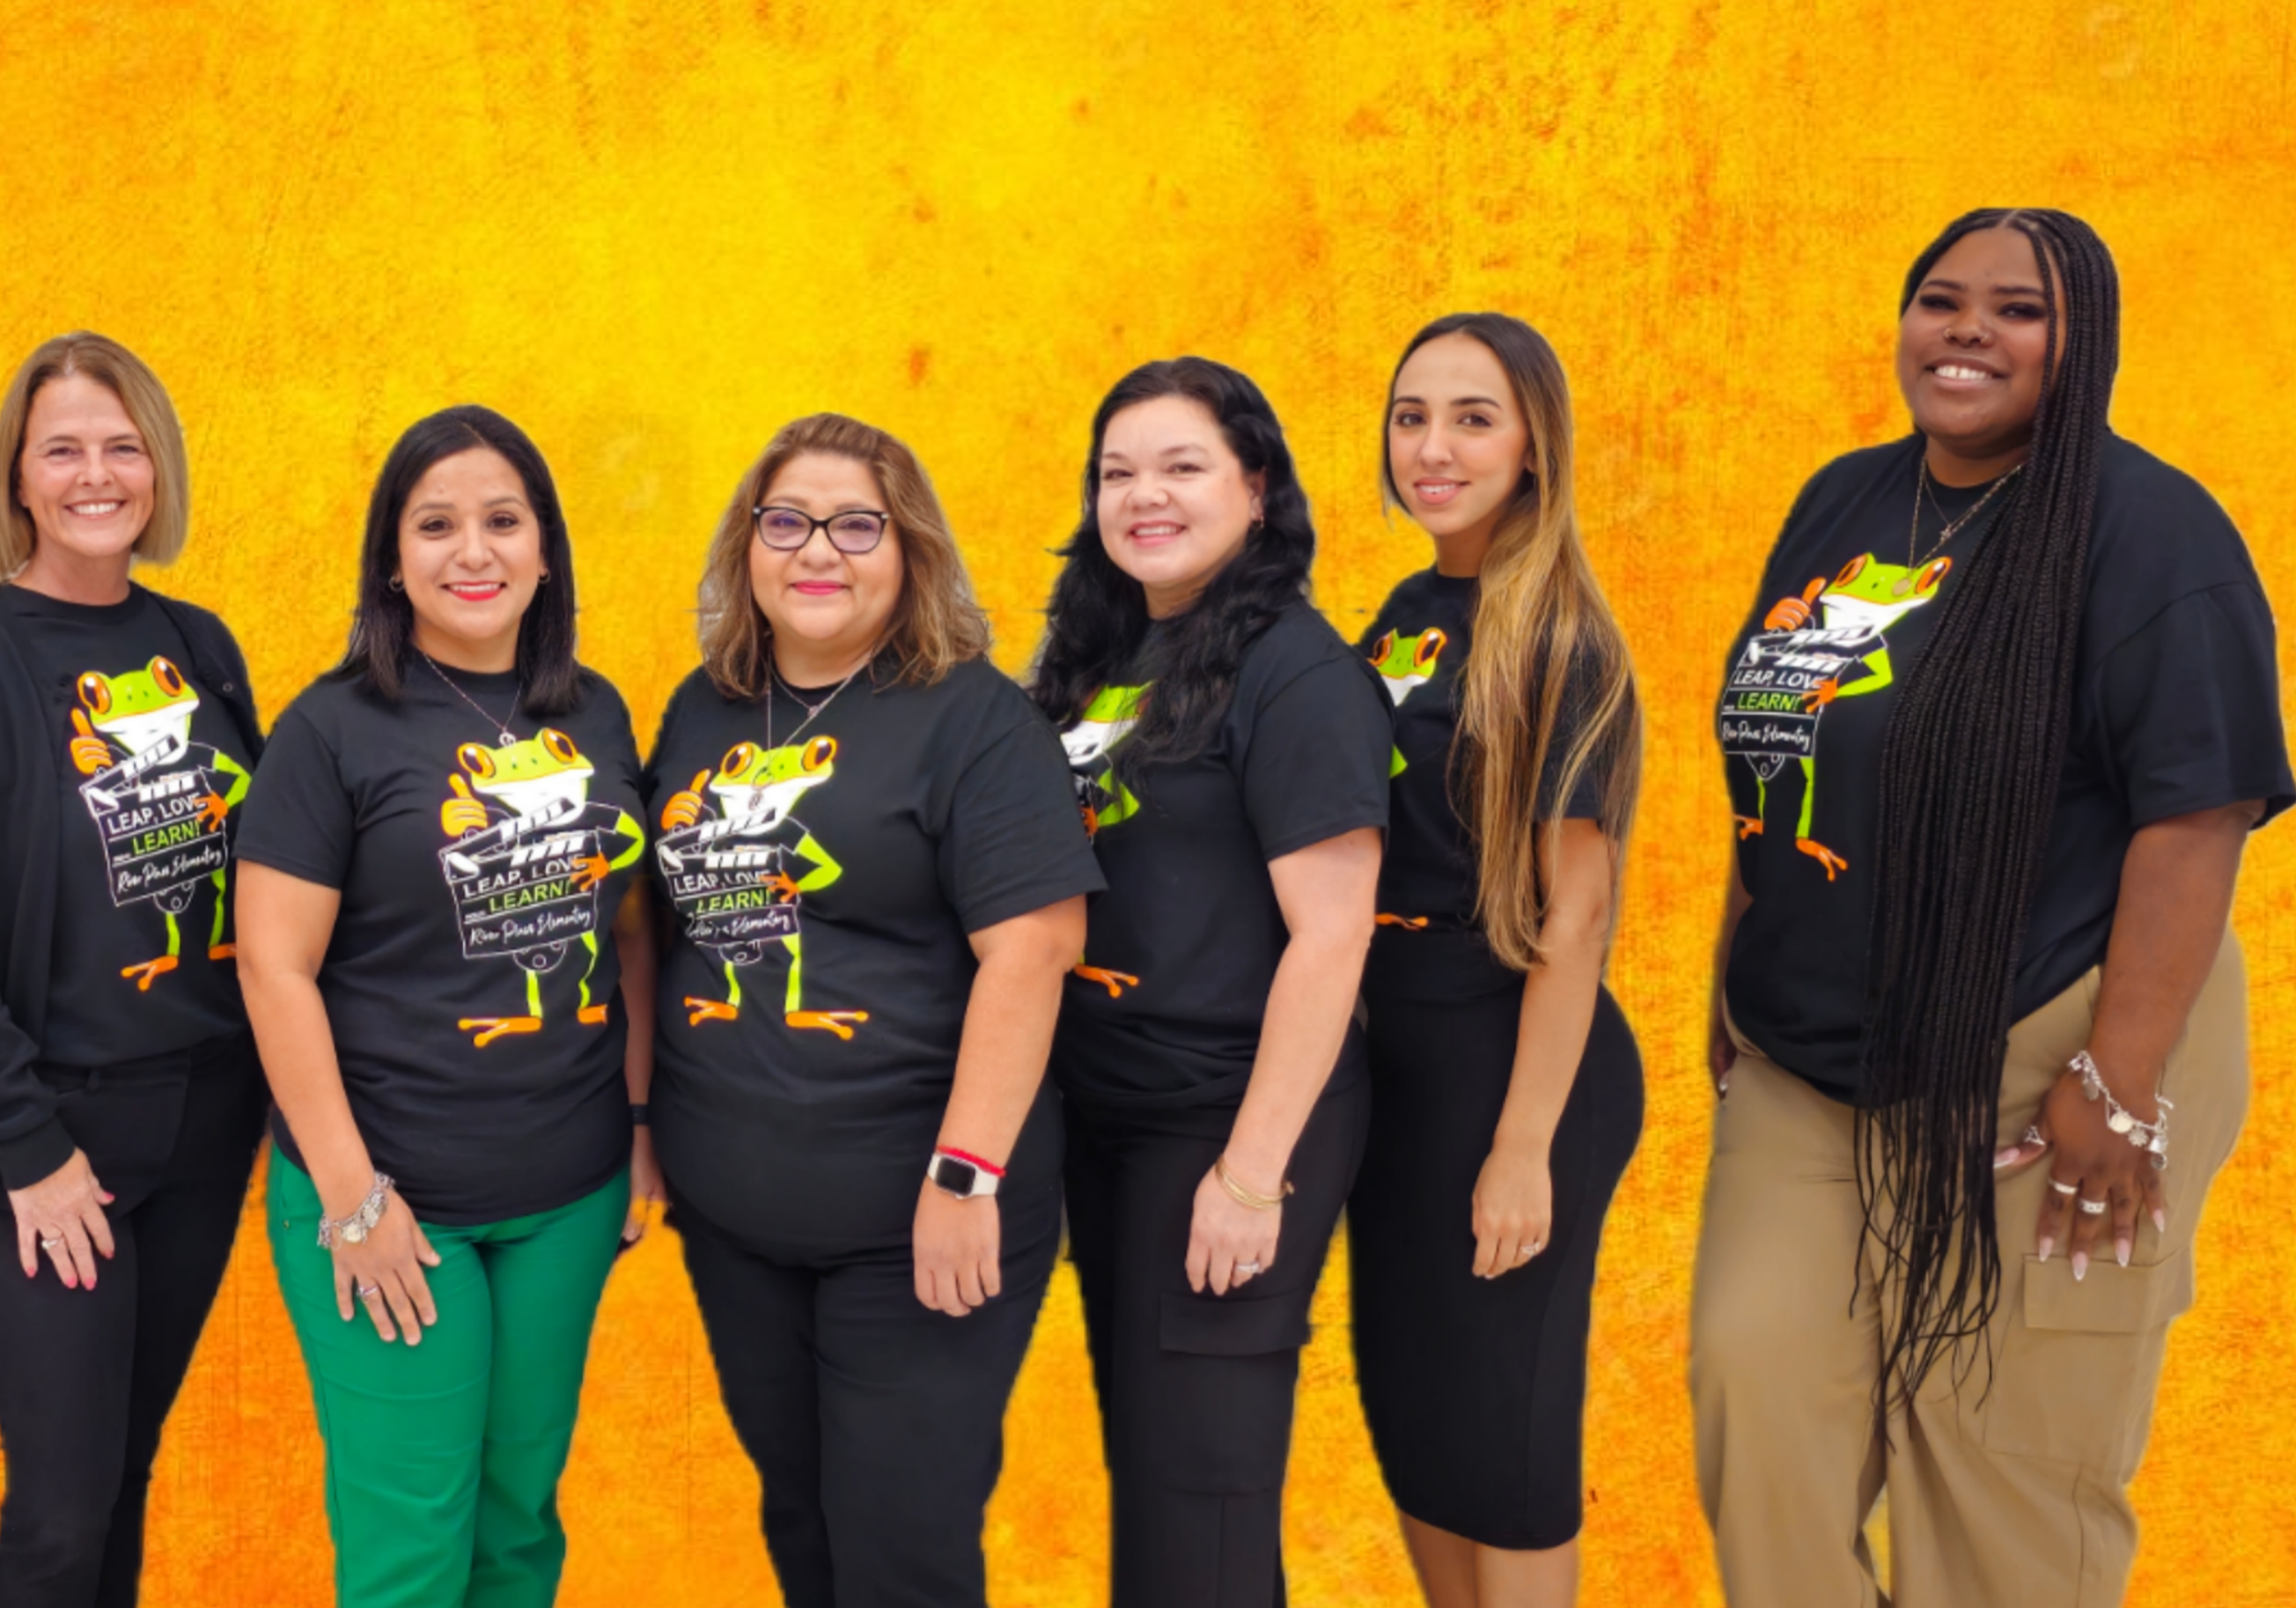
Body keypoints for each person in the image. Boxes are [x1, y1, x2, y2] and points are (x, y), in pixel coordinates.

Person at [1690, 209, 2295, 1607]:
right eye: (1938, 299)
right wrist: (1737, 967)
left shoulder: (2150, 534)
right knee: (1756, 1403)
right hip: (1812, 1071)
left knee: (1995, 1477)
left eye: (2016, 309)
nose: (1966, 329)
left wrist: (2119, 1082)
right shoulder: (1843, 498)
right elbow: (1782, 745)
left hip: (2052, 1058)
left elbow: (2194, 816)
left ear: (2081, 344)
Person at [646, 413, 1097, 1608]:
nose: (818, 551)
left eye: (858, 524)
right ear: (748, 543)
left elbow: (1035, 947)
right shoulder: (704, 706)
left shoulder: (971, 718)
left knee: (901, 1545)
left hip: (920, 1221)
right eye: (786, 520)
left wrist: (964, 1175)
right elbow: (666, 927)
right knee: (800, 1519)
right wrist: (646, 1124)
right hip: (733, 1214)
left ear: (911, 550)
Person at [0, 332, 269, 1606]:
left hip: (203, 1116)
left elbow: (253, 872)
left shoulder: (199, 646)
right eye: (64, 449)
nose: (97, 473)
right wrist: (30, 1149)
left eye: (121, 444)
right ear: (20, 480)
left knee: (125, 1470)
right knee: (58, 1499)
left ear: (156, 466)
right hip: (36, 1128)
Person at [233, 405, 652, 1608]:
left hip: (567, 1192)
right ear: (390, 558)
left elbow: (627, 930)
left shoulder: (597, 710)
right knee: (412, 1541)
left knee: (518, 1528)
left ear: (543, 549)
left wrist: (634, 1128)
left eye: (500, 521)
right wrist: (354, 1198)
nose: (471, 552)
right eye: (435, 525)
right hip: (384, 1199)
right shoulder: (332, 729)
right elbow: (273, 967)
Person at [1024, 359, 1387, 1605]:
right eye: (1117, 473)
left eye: (1180, 466)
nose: (1142, 497)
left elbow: (1331, 936)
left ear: (1256, 486)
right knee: (1157, 1476)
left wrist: (1246, 1173)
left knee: (1204, 1495)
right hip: (1112, 1115)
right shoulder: (1114, 647)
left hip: (1226, 1115)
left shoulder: (1296, 673)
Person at [1348, 314, 1645, 1608]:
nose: (1433, 445)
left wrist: (1520, 1146)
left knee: (1505, 1428)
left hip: (1511, 1056)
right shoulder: (1409, 612)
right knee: (1413, 1410)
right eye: (1412, 415)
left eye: (1472, 417)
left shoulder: (1561, 637)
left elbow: (1574, 917)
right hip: (1395, 1059)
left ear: (1533, 445)